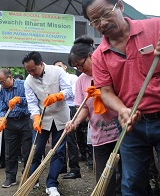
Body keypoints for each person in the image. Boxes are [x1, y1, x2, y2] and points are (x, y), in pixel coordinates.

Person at [82, 0, 160, 195]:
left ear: (120, 6)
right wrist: (122, 109)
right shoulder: (99, 55)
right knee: (132, 183)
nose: (102, 23)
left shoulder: (155, 27)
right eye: (95, 21)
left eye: (106, 14)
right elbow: (106, 92)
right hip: (131, 124)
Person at [65, 35, 120, 196]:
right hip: (99, 136)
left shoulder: (109, 69)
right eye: (77, 68)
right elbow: (83, 108)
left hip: (121, 131)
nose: (80, 70)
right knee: (104, 181)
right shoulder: (81, 81)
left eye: (81, 65)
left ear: (91, 56)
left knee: (127, 178)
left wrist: (103, 94)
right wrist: (74, 122)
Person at [22, 51, 73, 196]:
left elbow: (69, 91)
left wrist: (58, 96)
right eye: (28, 71)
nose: (31, 73)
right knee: (36, 150)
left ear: (41, 64)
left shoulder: (57, 71)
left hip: (61, 117)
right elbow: (32, 103)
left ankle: (51, 184)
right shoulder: (28, 81)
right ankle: (34, 178)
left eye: (33, 69)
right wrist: (36, 118)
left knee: (58, 151)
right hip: (43, 120)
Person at [0, 68, 32, 188]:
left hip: (25, 121)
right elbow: (2, 108)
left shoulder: (24, 85)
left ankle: (29, 176)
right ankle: (10, 178)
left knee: (28, 151)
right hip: (10, 123)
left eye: (3, 81)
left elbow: (31, 100)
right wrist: (2, 119)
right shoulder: (1, 90)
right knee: (10, 152)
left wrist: (18, 100)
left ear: (10, 78)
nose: (1, 84)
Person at [54, 60, 81, 179]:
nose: (58, 69)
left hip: (71, 108)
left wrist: (61, 94)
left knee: (70, 139)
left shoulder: (73, 77)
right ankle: (62, 166)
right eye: (56, 67)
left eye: (60, 66)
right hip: (58, 109)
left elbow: (74, 93)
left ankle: (75, 169)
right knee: (59, 138)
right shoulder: (55, 80)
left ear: (65, 67)